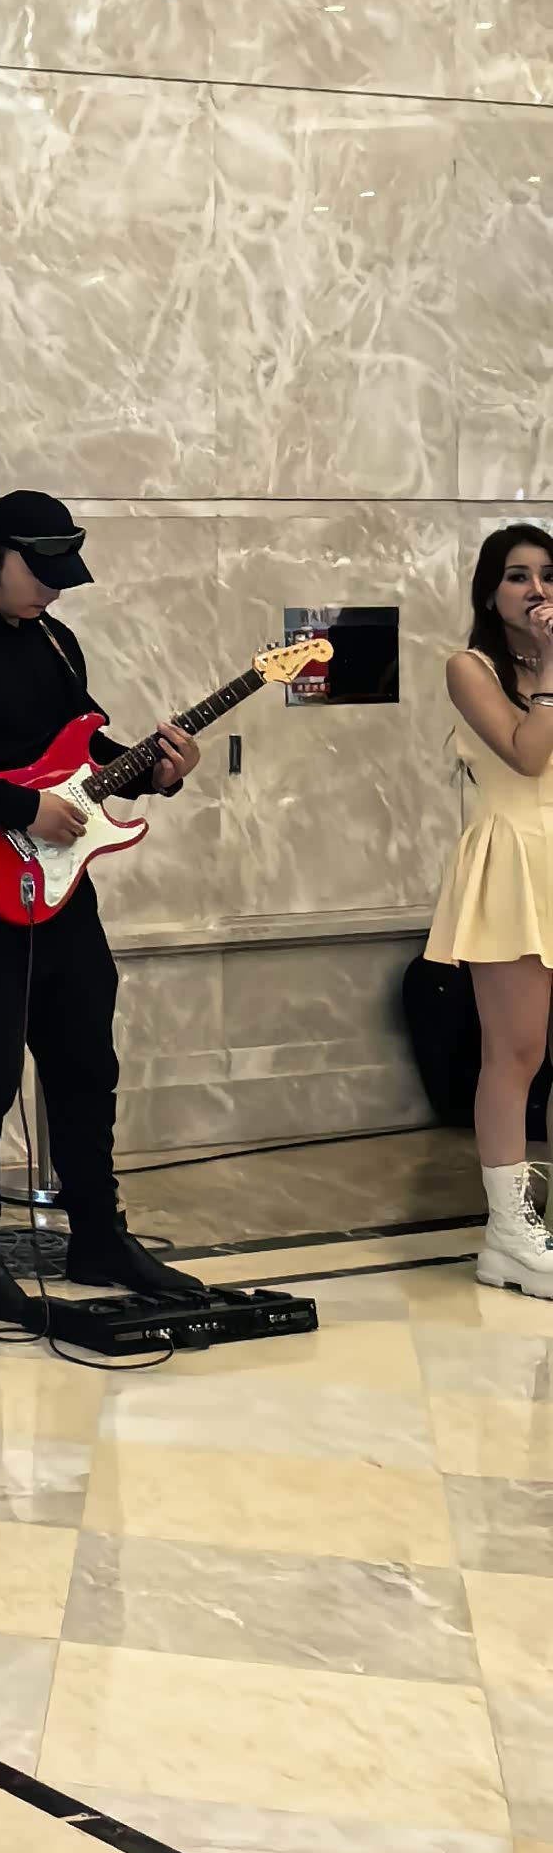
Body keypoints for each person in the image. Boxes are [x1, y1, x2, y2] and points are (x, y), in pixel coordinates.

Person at [0, 493, 208, 1325]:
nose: (53, 592)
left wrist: (156, 772)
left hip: (60, 889)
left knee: (88, 1065)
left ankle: (98, 1233)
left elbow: (82, 755)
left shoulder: (56, 642)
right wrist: (21, 810)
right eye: (40, 574)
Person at [430, 524, 553, 1300]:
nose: (537, 590)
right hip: (513, 860)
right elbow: (527, 754)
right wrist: (551, 666)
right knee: (516, 1052)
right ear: (490, 591)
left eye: (549, 574)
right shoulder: (469, 667)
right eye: (518, 576)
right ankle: (508, 1235)